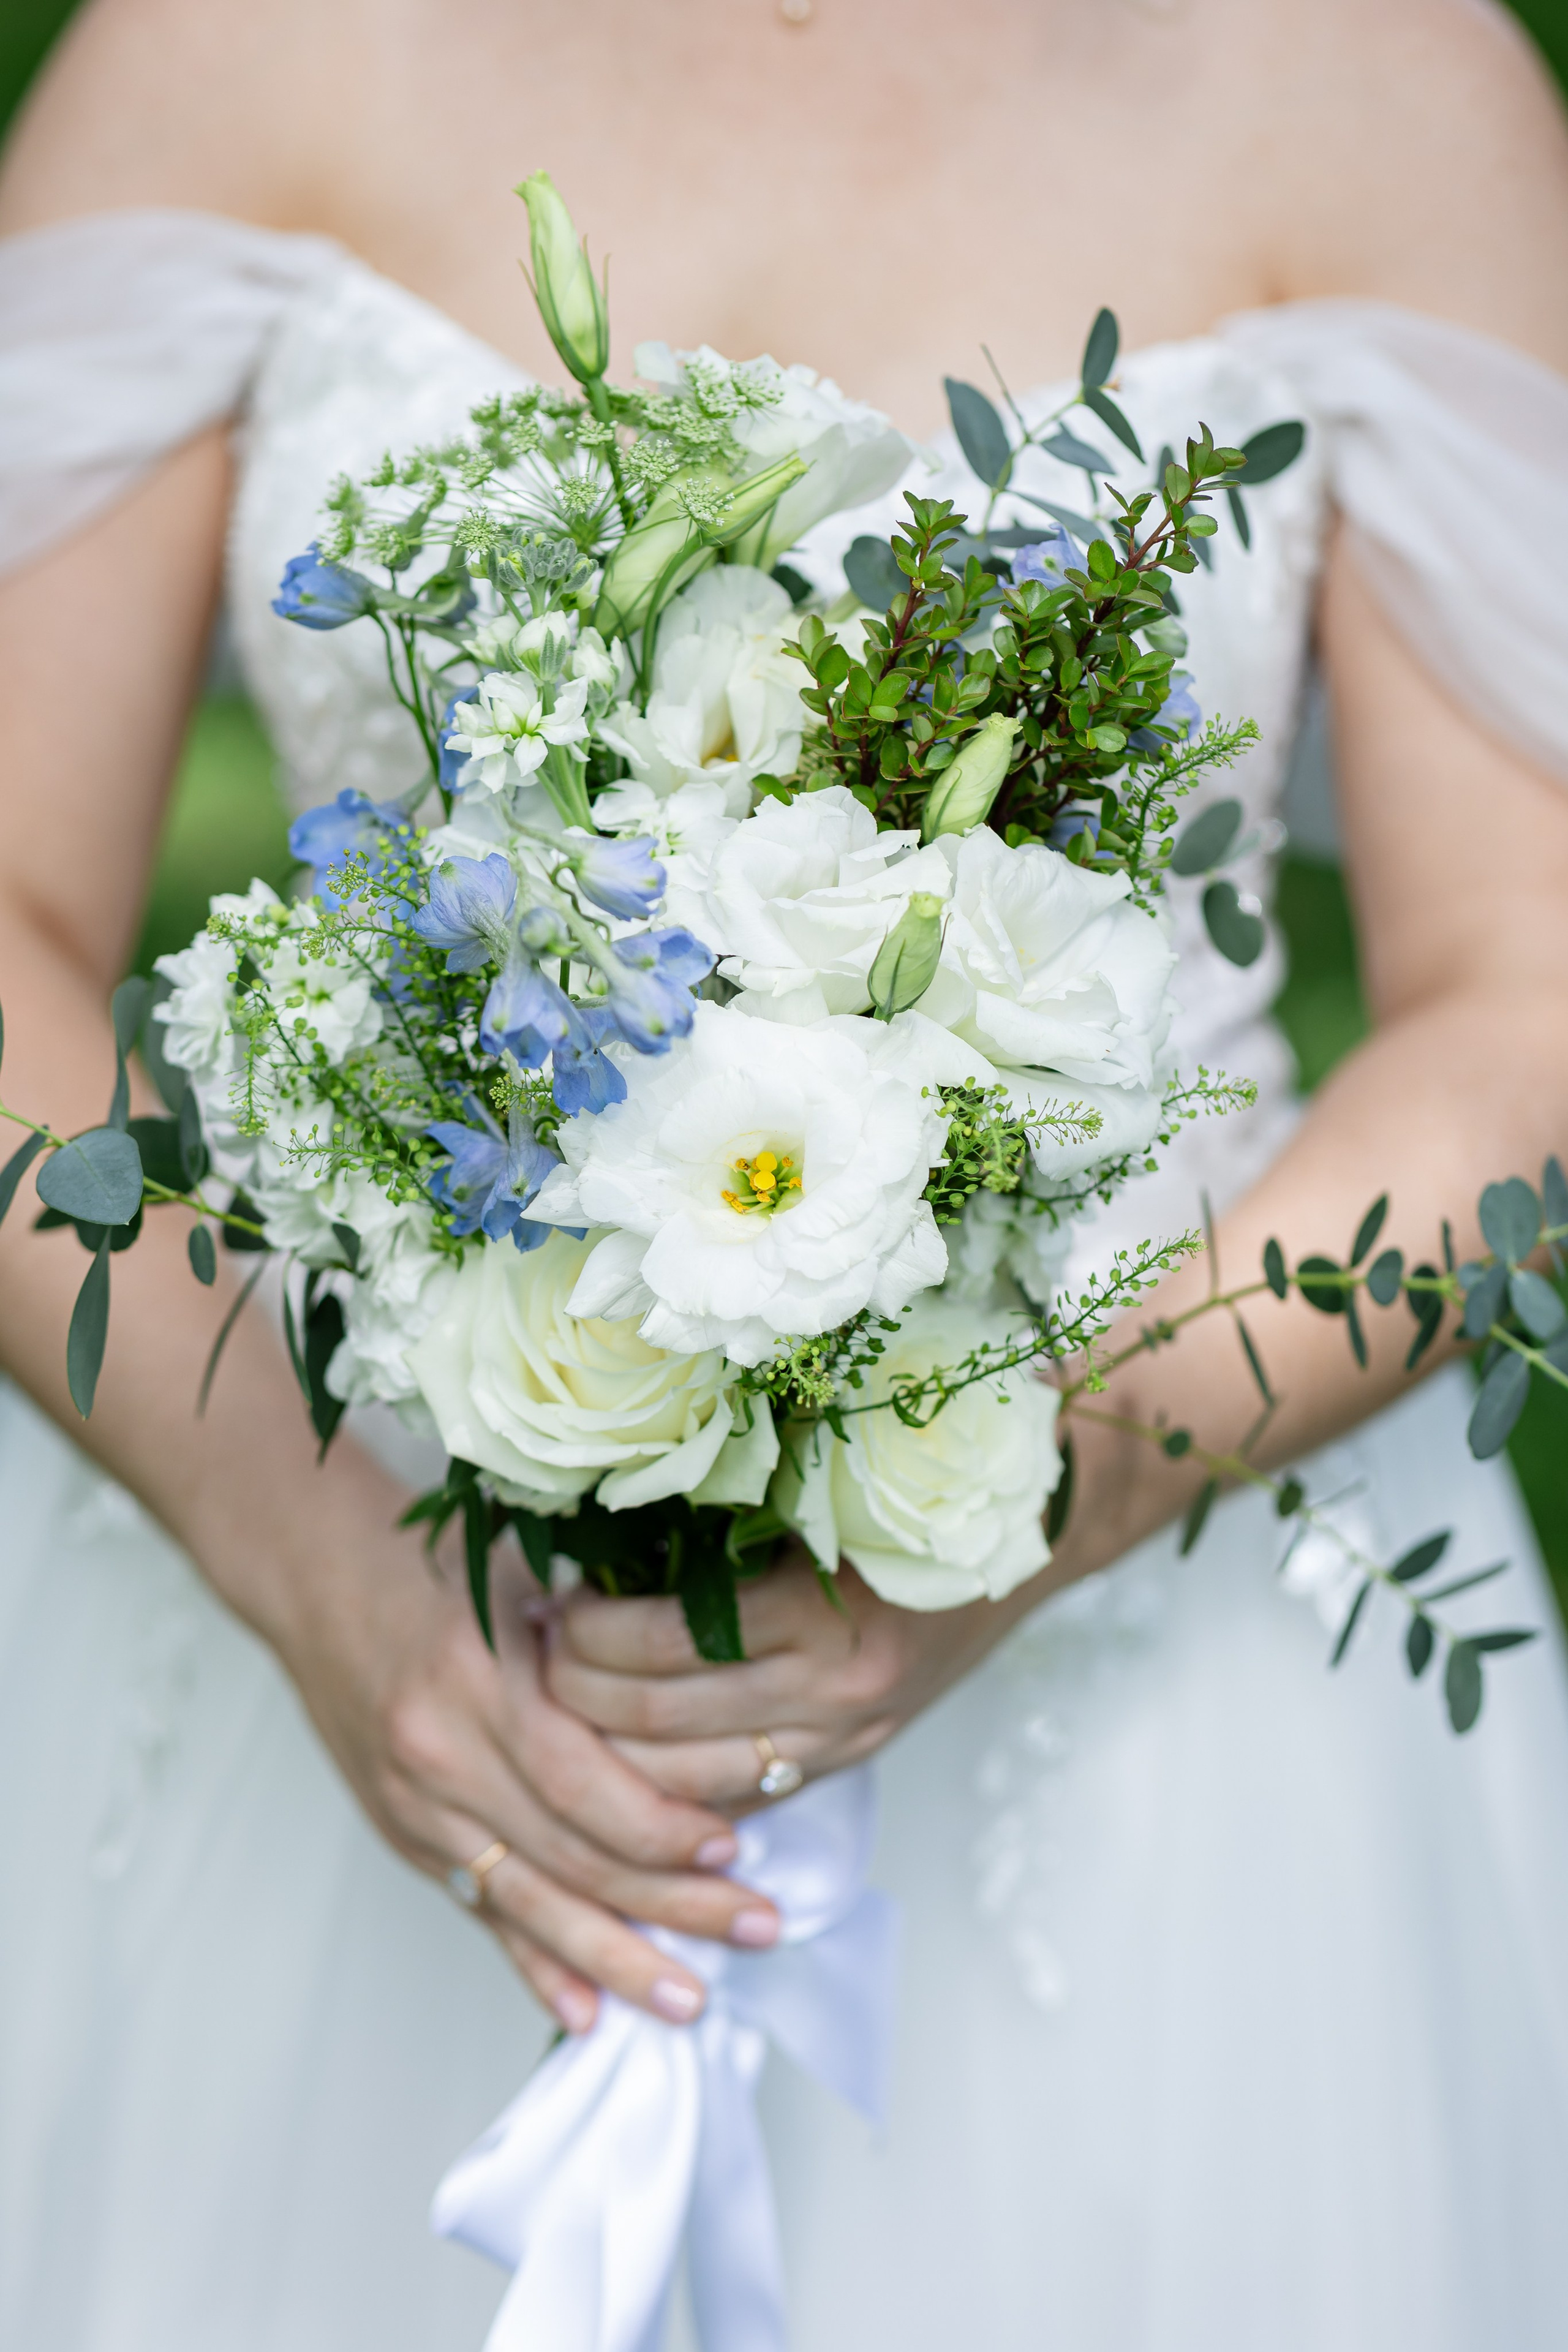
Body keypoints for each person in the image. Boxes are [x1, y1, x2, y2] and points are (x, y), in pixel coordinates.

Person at [2, 0, 1568, 2344]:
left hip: (1175, 1681)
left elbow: (1522, 1007)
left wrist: (1048, 1478)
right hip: (335, 1613)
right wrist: (311, 1552)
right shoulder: (218, 48)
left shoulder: (1388, 77)